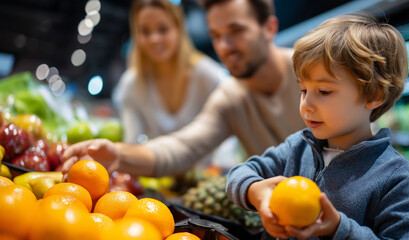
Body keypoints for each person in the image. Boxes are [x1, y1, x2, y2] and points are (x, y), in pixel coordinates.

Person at [226, 13, 409, 239]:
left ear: (374, 95)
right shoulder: (298, 147)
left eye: (324, 91)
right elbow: (239, 173)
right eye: (303, 90)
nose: (306, 104)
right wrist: (255, 192)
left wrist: (339, 230)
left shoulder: (396, 178)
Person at [61, 0, 306, 179]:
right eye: (216, 35)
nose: (224, 47)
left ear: (270, 28)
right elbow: (181, 148)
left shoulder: (313, 72)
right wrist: (118, 155)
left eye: (236, 31)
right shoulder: (230, 98)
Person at [112, 0, 223, 144]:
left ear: (179, 28)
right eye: (145, 31)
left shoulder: (208, 75)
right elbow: (131, 141)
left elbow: (226, 142)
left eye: (163, 29)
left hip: (211, 166)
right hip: (154, 164)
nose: (154, 39)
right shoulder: (131, 84)